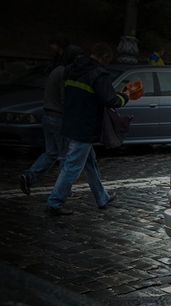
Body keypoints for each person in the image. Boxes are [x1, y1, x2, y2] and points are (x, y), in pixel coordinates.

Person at [45, 43, 131, 216]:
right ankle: (55, 202)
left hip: (69, 122)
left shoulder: (71, 70)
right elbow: (110, 100)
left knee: (90, 163)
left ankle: (102, 197)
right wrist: (125, 97)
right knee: (73, 166)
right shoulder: (98, 74)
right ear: (105, 57)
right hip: (85, 126)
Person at [19, 45, 83, 196]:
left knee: (51, 153)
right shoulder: (65, 72)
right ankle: (63, 190)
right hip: (59, 118)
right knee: (65, 155)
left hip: (47, 116)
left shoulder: (56, 70)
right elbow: (64, 97)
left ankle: (29, 176)